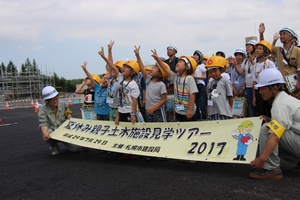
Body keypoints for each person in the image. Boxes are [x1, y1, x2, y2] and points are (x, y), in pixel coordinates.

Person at [249, 68, 300, 180]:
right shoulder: (284, 99)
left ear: (274, 88)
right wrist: (268, 119)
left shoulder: (280, 105)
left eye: (262, 88)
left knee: (266, 130)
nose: (260, 92)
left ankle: (271, 169)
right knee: (271, 126)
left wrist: (262, 159)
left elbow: (275, 136)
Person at [152, 49, 198, 122]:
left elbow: (193, 94)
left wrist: (190, 110)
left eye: (180, 62)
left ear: (187, 67)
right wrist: (157, 59)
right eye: (178, 61)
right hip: (178, 111)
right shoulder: (175, 77)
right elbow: (165, 69)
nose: (177, 63)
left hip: (188, 112)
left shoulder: (189, 78)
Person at [38, 86, 82, 155]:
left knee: (76, 149)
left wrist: (70, 118)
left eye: (56, 98)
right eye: (53, 99)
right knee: (46, 132)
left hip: (64, 131)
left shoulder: (63, 104)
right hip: (53, 132)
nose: (56, 101)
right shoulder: (42, 110)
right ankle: (54, 147)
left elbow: (69, 115)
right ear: (47, 100)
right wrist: (45, 132)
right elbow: (43, 124)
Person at [259, 23, 300, 98]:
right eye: (281, 34)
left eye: (284, 34)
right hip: (282, 83)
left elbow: (299, 69)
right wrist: (261, 34)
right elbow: (265, 46)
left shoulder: (297, 50)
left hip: (293, 84)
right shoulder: (278, 50)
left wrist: (299, 83)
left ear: (290, 37)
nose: (281, 36)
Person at [134, 45, 168, 122]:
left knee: (161, 128)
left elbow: (164, 99)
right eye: (153, 67)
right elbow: (142, 68)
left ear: (160, 74)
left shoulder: (161, 85)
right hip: (148, 110)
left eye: (155, 68)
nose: (152, 69)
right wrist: (137, 55)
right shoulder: (148, 80)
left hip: (158, 111)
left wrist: (154, 107)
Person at [98, 42, 124, 121]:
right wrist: (109, 51)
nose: (112, 70)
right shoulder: (111, 78)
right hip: (111, 107)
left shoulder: (120, 78)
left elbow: (112, 65)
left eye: (115, 69)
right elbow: (110, 65)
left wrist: (104, 56)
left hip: (118, 108)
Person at [252, 40, 276, 117]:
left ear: (265, 51)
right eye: (256, 49)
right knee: (261, 113)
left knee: (270, 111)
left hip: (269, 90)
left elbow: (274, 78)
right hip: (259, 91)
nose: (257, 50)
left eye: (260, 49)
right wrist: (254, 97)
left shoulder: (270, 64)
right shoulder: (254, 66)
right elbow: (254, 82)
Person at [206, 56, 233, 120]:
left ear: (221, 70)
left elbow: (230, 97)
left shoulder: (226, 81)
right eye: (210, 72)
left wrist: (230, 110)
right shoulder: (210, 83)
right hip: (211, 112)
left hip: (222, 112)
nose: (213, 74)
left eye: (215, 71)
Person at [115, 60, 140, 125]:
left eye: (126, 67)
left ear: (132, 72)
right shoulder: (121, 81)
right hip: (121, 112)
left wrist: (133, 114)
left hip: (130, 112)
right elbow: (120, 100)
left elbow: (135, 100)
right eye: (123, 67)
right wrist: (118, 116)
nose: (123, 68)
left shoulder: (133, 84)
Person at [192, 50, 207, 120]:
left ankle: (204, 118)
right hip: (194, 85)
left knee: (202, 104)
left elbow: (204, 77)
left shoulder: (202, 66)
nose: (195, 56)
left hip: (200, 85)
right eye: (194, 55)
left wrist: (196, 77)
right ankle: (197, 118)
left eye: (197, 55)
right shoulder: (192, 66)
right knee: (196, 104)